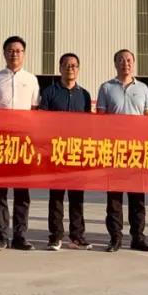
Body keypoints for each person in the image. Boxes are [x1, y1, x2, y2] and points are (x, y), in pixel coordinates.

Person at [0, 35, 40, 251]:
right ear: (4, 53)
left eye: (18, 50)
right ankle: (1, 237)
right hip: (0, 142)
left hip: (23, 142)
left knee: (22, 192)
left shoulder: (31, 79)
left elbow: (35, 110)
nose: (14, 54)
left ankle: (20, 236)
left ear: (24, 54)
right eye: (10, 50)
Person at [96, 49, 148, 252]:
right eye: (121, 60)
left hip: (137, 150)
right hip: (114, 150)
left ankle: (138, 237)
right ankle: (115, 238)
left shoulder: (143, 88)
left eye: (129, 60)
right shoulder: (106, 87)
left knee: (137, 198)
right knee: (114, 198)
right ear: (115, 64)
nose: (125, 63)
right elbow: (100, 119)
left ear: (134, 63)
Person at [39, 52, 93, 251]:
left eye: (74, 65)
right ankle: (55, 236)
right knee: (56, 197)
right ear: (60, 68)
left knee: (77, 197)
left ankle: (77, 236)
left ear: (78, 69)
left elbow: (89, 123)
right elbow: (41, 120)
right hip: (56, 151)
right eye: (67, 65)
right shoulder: (50, 92)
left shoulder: (84, 94)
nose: (70, 68)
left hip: (77, 151)